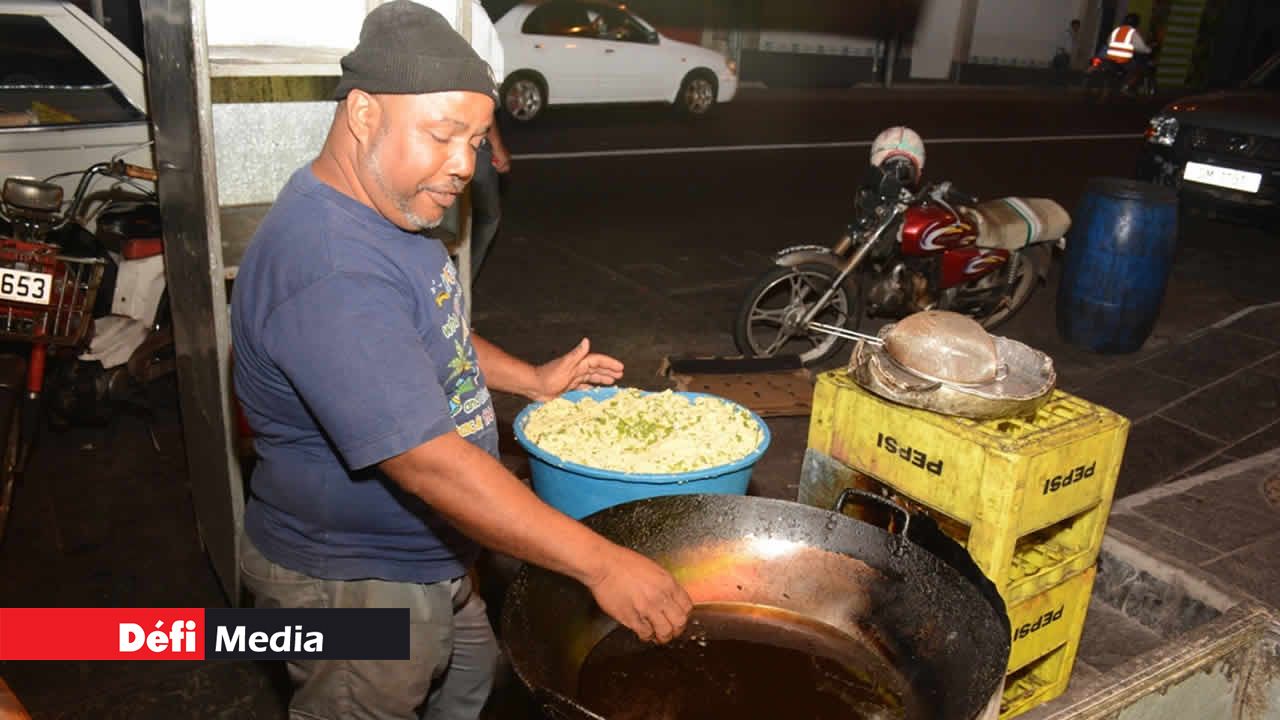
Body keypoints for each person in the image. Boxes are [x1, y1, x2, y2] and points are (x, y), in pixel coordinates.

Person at [229, 3, 692, 719]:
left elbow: (428, 332)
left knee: (469, 680)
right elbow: (428, 463)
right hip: (353, 578)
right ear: (362, 115)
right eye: (443, 135)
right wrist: (602, 563)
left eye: (477, 139)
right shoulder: (329, 268)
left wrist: (531, 380)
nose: (464, 165)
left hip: (427, 553)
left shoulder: (391, 209)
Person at [1104, 13, 1154, 91]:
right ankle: (1126, 87)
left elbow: (1108, 42)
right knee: (1138, 70)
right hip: (1124, 60)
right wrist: (1149, 50)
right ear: (1136, 23)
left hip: (1110, 59)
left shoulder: (1117, 30)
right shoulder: (1132, 32)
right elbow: (1141, 47)